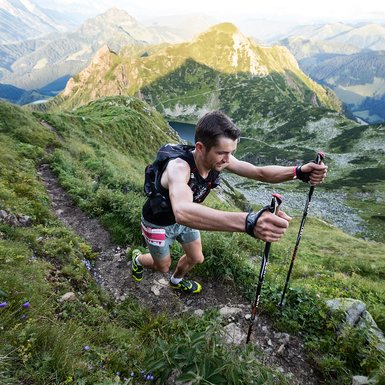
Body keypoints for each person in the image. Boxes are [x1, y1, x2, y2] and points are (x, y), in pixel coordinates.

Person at [131, 111, 327, 294]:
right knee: (161, 266)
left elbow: (259, 172)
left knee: (196, 258)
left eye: (231, 152)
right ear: (200, 147)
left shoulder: (218, 159)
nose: (227, 159)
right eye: (222, 152)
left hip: (188, 220)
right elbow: (182, 211)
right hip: (158, 223)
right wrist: (249, 222)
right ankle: (138, 259)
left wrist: (298, 172)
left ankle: (176, 281)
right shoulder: (179, 167)